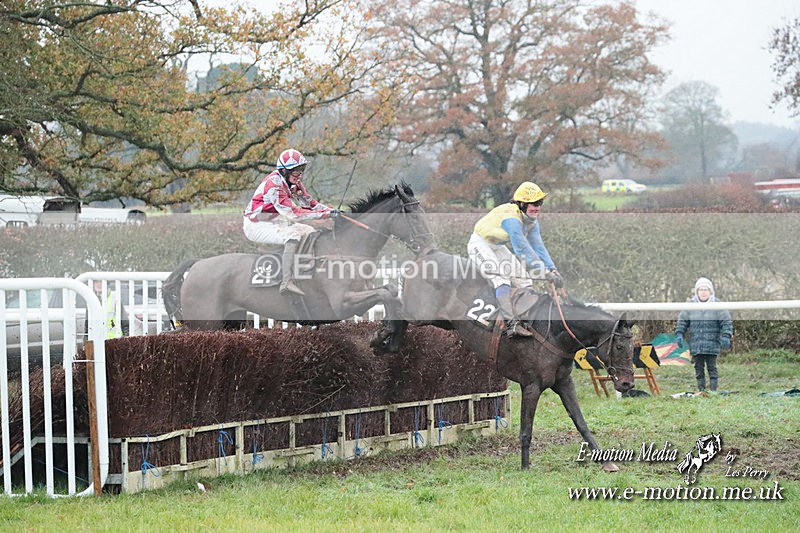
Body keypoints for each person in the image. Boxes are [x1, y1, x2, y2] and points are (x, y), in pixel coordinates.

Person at [467, 181, 563, 337]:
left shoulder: (531, 220)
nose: (537, 207)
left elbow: (538, 247)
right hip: (480, 243)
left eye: (539, 202)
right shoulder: (512, 219)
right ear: (521, 204)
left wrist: (553, 269)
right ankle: (510, 323)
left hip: (497, 246)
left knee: (525, 281)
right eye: (533, 203)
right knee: (502, 280)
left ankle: (524, 319)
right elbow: (521, 249)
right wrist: (545, 273)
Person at [243, 149, 339, 296]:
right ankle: (286, 282)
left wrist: (333, 212)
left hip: (273, 220)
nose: (299, 175)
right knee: (292, 236)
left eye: (301, 170)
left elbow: (309, 203)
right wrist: (326, 214)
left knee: (309, 231)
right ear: (283, 171)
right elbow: (294, 214)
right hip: (255, 225)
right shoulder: (274, 186)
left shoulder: (294, 183)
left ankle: (304, 268)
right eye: (296, 171)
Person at [675, 277, 733, 392]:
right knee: (698, 368)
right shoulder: (690, 305)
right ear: (697, 291)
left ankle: (713, 391)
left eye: (706, 289)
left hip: (713, 343)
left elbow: (726, 321)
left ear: (710, 291)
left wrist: (726, 335)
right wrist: (679, 334)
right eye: (701, 289)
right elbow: (682, 321)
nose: (703, 292)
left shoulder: (718, 305)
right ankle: (701, 390)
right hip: (696, 344)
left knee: (712, 368)